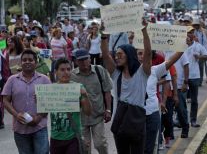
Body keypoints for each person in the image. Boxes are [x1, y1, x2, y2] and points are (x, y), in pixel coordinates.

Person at [101, 19, 151, 154]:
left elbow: (148, 53)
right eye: (116, 55)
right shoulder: (116, 74)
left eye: (120, 55)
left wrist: (144, 31)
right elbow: (105, 55)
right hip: (120, 122)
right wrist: (104, 35)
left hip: (136, 121)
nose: (116, 57)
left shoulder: (142, 73)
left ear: (129, 55)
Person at [2, 49, 51, 154]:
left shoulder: (44, 80)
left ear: (36, 63)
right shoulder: (12, 80)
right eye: (24, 60)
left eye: (30, 60)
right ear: (21, 63)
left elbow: (50, 102)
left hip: (39, 127)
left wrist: (38, 118)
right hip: (20, 129)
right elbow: (5, 100)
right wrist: (16, 114)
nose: (27, 62)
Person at [136, 49, 183, 154]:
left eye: (145, 53)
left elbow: (171, 60)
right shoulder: (129, 72)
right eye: (139, 53)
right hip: (137, 115)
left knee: (151, 146)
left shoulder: (155, 70)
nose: (142, 56)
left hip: (152, 113)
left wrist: (182, 45)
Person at [71, 49, 112, 154]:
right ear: (76, 61)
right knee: (84, 147)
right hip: (81, 117)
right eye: (80, 60)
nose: (84, 62)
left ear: (90, 59)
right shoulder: (72, 75)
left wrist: (108, 109)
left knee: (100, 144)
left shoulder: (99, 70)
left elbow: (107, 91)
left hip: (97, 115)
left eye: (86, 59)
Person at [50, 58, 92, 154]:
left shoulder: (78, 87)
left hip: (73, 137)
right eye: (62, 70)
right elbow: (43, 113)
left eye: (69, 69)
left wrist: (85, 96)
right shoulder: (50, 90)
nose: (66, 72)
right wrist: (39, 102)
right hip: (55, 137)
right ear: (56, 72)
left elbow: (88, 112)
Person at [186, 26, 207, 127]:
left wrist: (199, 56)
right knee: (180, 101)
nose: (190, 34)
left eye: (191, 32)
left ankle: (193, 120)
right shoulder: (180, 46)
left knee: (194, 100)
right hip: (183, 78)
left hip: (194, 76)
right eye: (188, 33)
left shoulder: (198, 46)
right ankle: (180, 119)